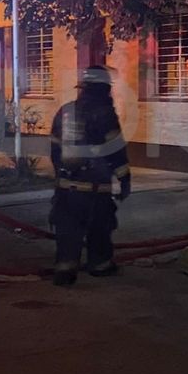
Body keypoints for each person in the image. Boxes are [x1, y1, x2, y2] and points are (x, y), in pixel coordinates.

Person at [49, 66, 131, 287]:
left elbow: (55, 149)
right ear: (104, 88)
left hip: (66, 189)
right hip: (96, 189)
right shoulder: (105, 113)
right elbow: (116, 152)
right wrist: (124, 180)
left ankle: (65, 270)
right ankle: (100, 265)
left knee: (67, 231)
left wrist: (61, 176)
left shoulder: (65, 111)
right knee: (100, 227)